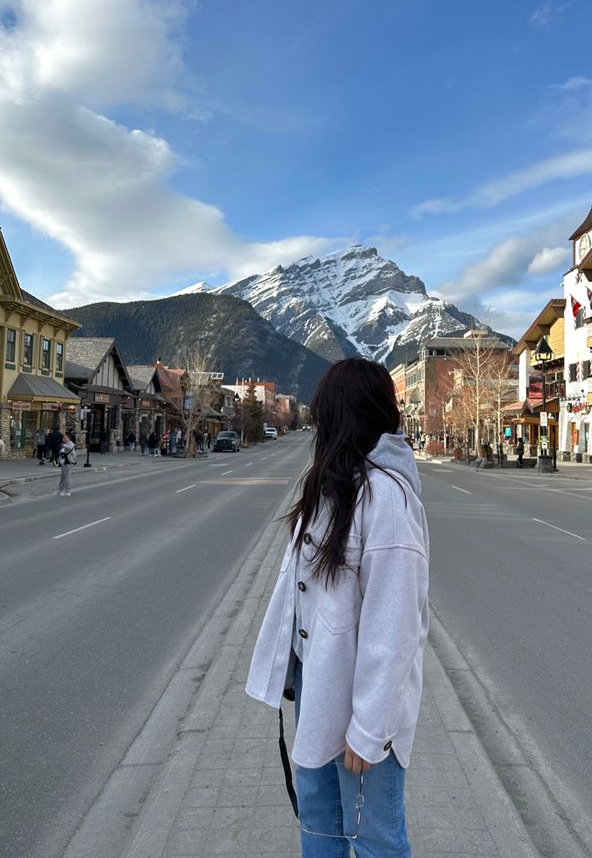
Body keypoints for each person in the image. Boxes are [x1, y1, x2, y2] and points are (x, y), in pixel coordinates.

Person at [246, 358, 429, 856]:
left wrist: (369, 731)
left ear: (343, 416)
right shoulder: (331, 485)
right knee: (320, 826)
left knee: (374, 840)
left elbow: (393, 629)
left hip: (363, 706)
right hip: (317, 685)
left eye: (324, 414)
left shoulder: (386, 498)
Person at [56, 432, 77, 496]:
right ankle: (61, 490)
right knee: (62, 477)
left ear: (69, 438)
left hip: (68, 462)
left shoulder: (70, 444)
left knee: (67, 477)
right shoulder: (64, 444)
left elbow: (69, 448)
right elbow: (61, 454)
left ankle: (67, 491)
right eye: (63, 437)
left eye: (66, 437)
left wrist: (63, 445)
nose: (64, 438)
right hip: (63, 462)